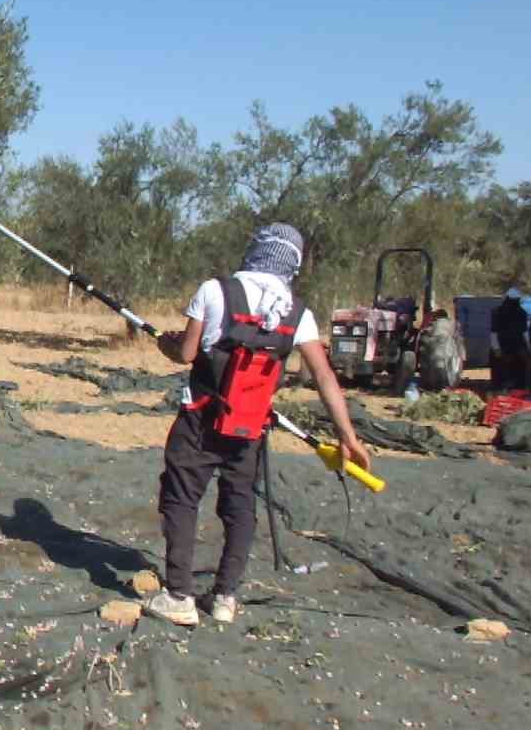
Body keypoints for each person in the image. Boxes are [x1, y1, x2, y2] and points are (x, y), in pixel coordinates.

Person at [147, 223, 372, 627]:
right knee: (239, 507)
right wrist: (347, 436)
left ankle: (178, 595)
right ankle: (225, 597)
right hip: (249, 427)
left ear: (255, 250)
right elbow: (323, 377)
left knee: (181, 498)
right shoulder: (298, 314)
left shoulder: (214, 291)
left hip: (200, 418)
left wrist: (164, 341)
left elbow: (185, 353)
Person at [490, 287, 530, 390]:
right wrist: (529, 349)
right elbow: (525, 334)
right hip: (516, 348)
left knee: (502, 376)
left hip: (504, 348)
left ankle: (504, 393)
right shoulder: (522, 313)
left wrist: (496, 348)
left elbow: (493, 333)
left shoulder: (497, 312)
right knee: (518, 375)